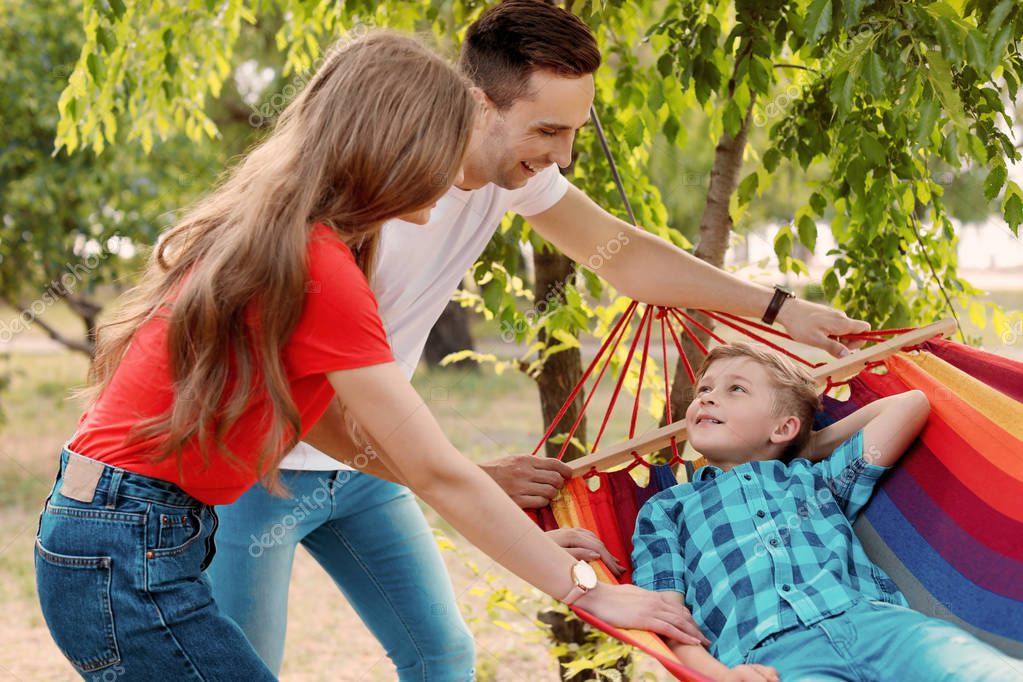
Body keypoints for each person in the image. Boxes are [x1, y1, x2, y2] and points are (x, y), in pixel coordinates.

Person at [208, 1, 874, 677]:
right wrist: (472, 481)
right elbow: (307, 403)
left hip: (366, 468)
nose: (563, 154)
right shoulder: (358, 207)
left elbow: (622, 256)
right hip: (256, 464)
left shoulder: (509, 173)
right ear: (474, 106)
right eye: (548, 129)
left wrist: (778, 308)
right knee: (239, 668)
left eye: (575, 132)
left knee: (441, 655)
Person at [33, 32, 707, 681]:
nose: (457, 174)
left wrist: (532, 550)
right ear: (396, 146)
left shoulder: (298, 238)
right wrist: (584, 590)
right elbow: (437, 473)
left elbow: (328, 425)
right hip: (125, 541)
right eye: (447, 146)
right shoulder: (318, 266)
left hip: (121, 528)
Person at [630, 343, 1022, 681]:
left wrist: (812, 444)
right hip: (772, 656)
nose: (707, 398)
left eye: (735, 389)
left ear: (783, 427)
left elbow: (910, 406)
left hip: (880, 627)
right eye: (704, 390)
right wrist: (720, 676)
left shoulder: (815, 480)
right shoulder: (667, 509)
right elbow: (666, 618)